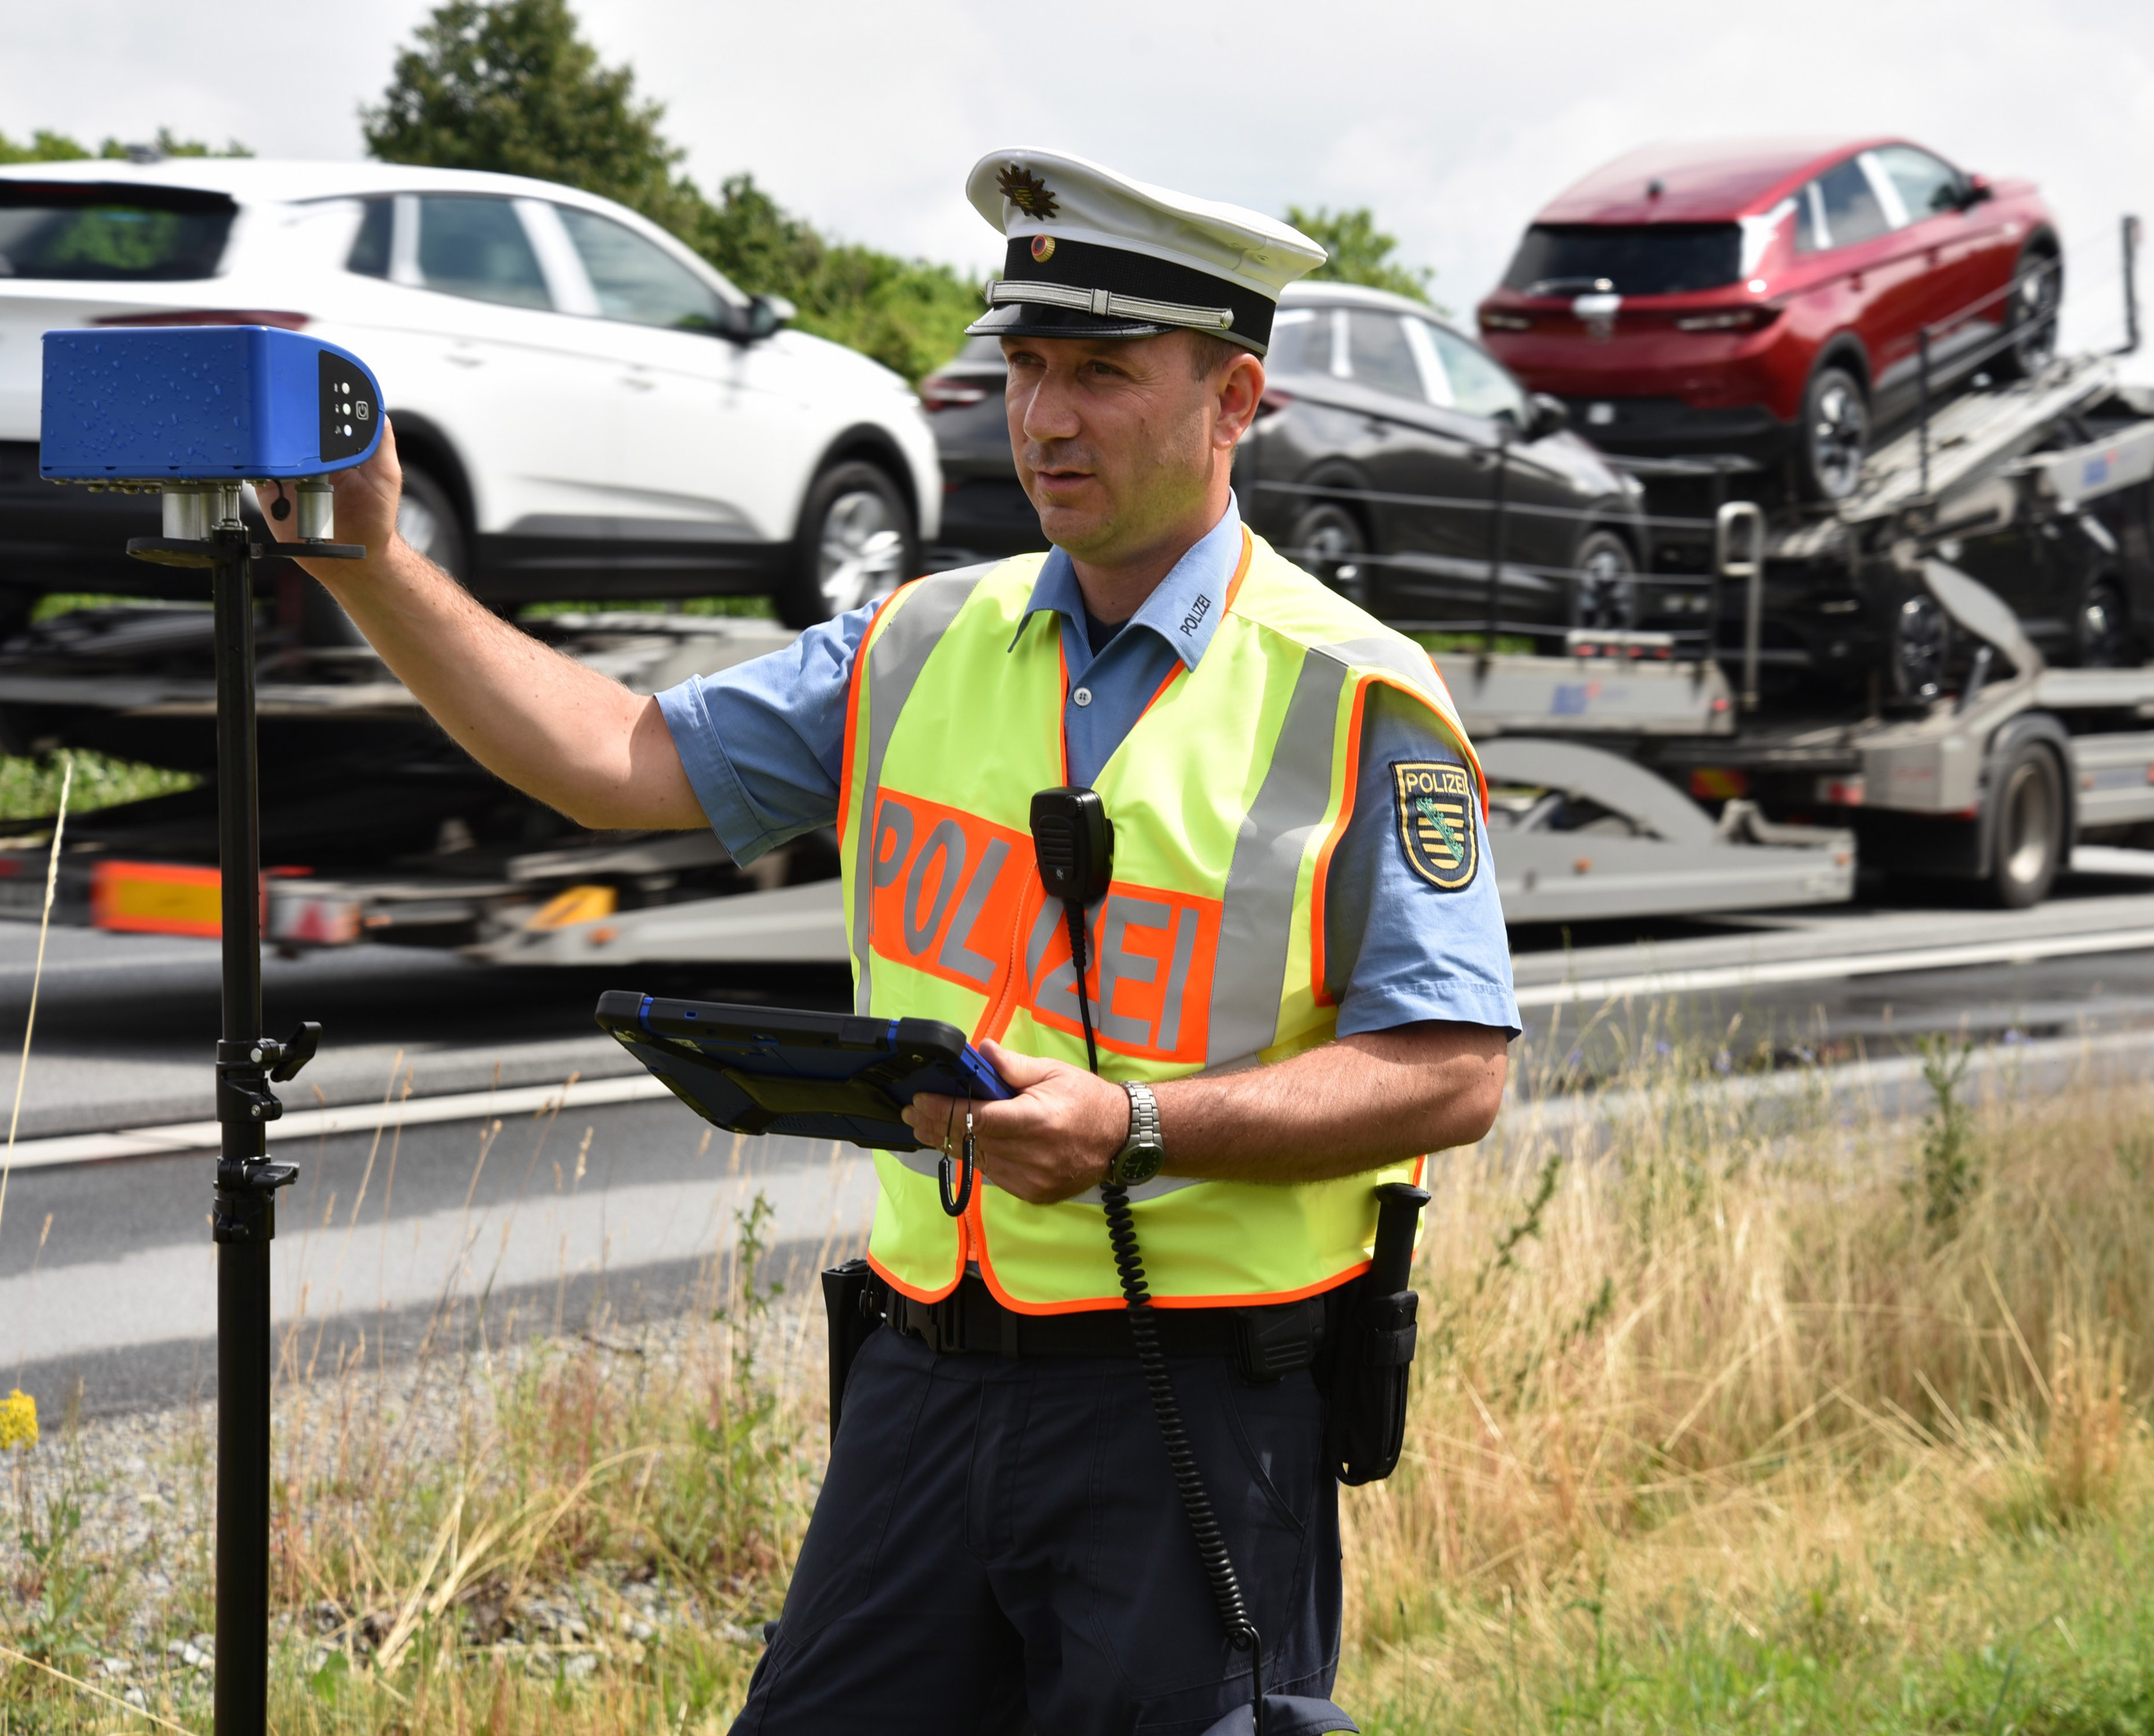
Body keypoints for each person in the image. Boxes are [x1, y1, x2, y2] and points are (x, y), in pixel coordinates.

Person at [270, 147, 1519, 1734]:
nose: (1047, 417)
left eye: (1105, 375)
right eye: (1028, 366)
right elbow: (612, 758)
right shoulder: (919, 639)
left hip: (1198, 1407)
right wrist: (373, 562)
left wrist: (1136, 1127)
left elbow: (1455, 1070)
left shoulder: (1359, 696)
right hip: (925, 1387)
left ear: (1235, 400)